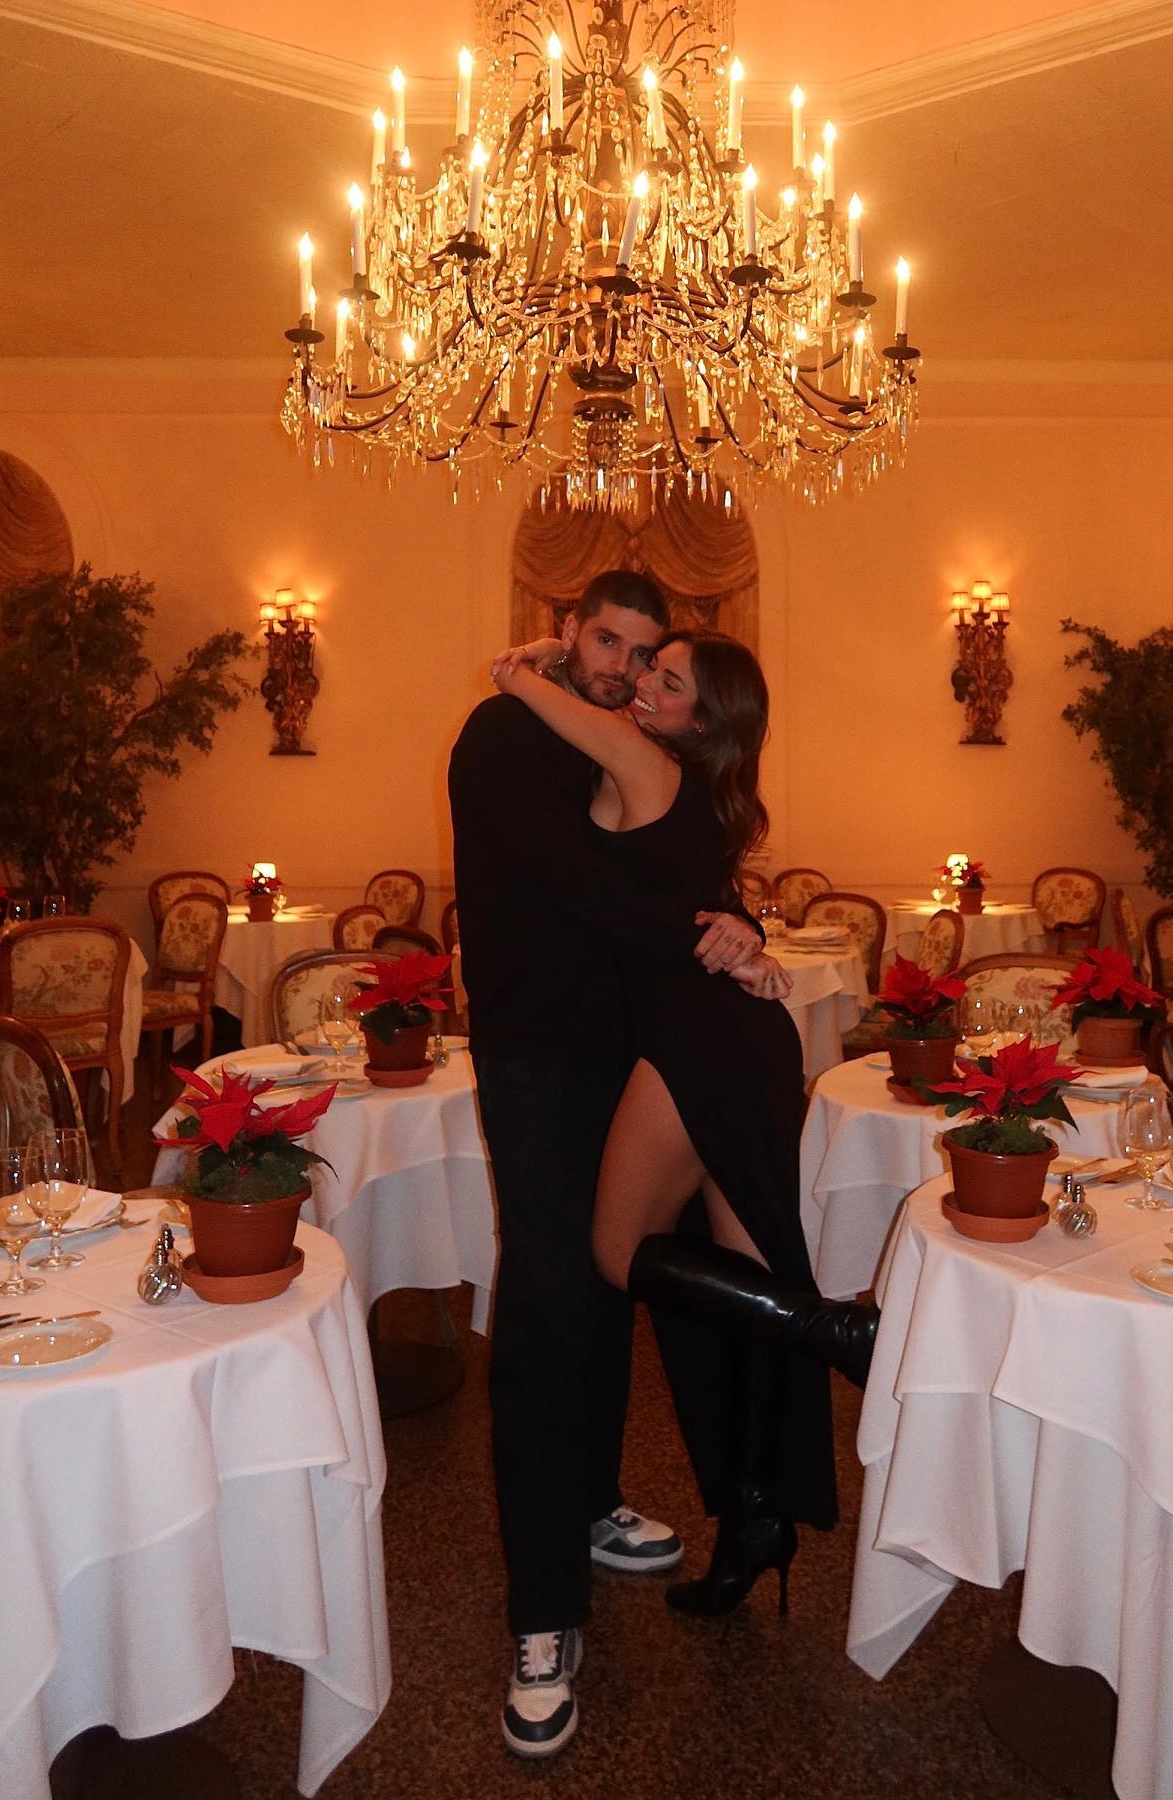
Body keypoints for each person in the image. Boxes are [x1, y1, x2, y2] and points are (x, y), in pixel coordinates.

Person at [490, 626, 876, 1626]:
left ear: (701, 721)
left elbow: (521, 686)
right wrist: (745, 935)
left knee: (618, 1256)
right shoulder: (704, 786)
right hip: (738, 1040)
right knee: (745, 1294)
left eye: (666, 682)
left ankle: (832, 1328)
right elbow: (690, 901)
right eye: (646, 673)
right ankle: (755, 1520)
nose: (641, 689)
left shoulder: (640, 756)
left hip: (695, 1045)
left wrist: (529, 664)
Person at [448, 571, 766, 1760]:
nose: (624, 667)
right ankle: (541, 1618)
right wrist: (706, 937)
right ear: (568, 632)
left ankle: (586, 1501)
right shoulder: (502, 736)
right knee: (543, 1313)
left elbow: (671, 867)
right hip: (535, 1057)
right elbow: (583, 886)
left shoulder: (625, 744)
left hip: (626, 1057)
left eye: (642, 653)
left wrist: (737, 924)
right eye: (608, 641)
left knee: (607, 1282)